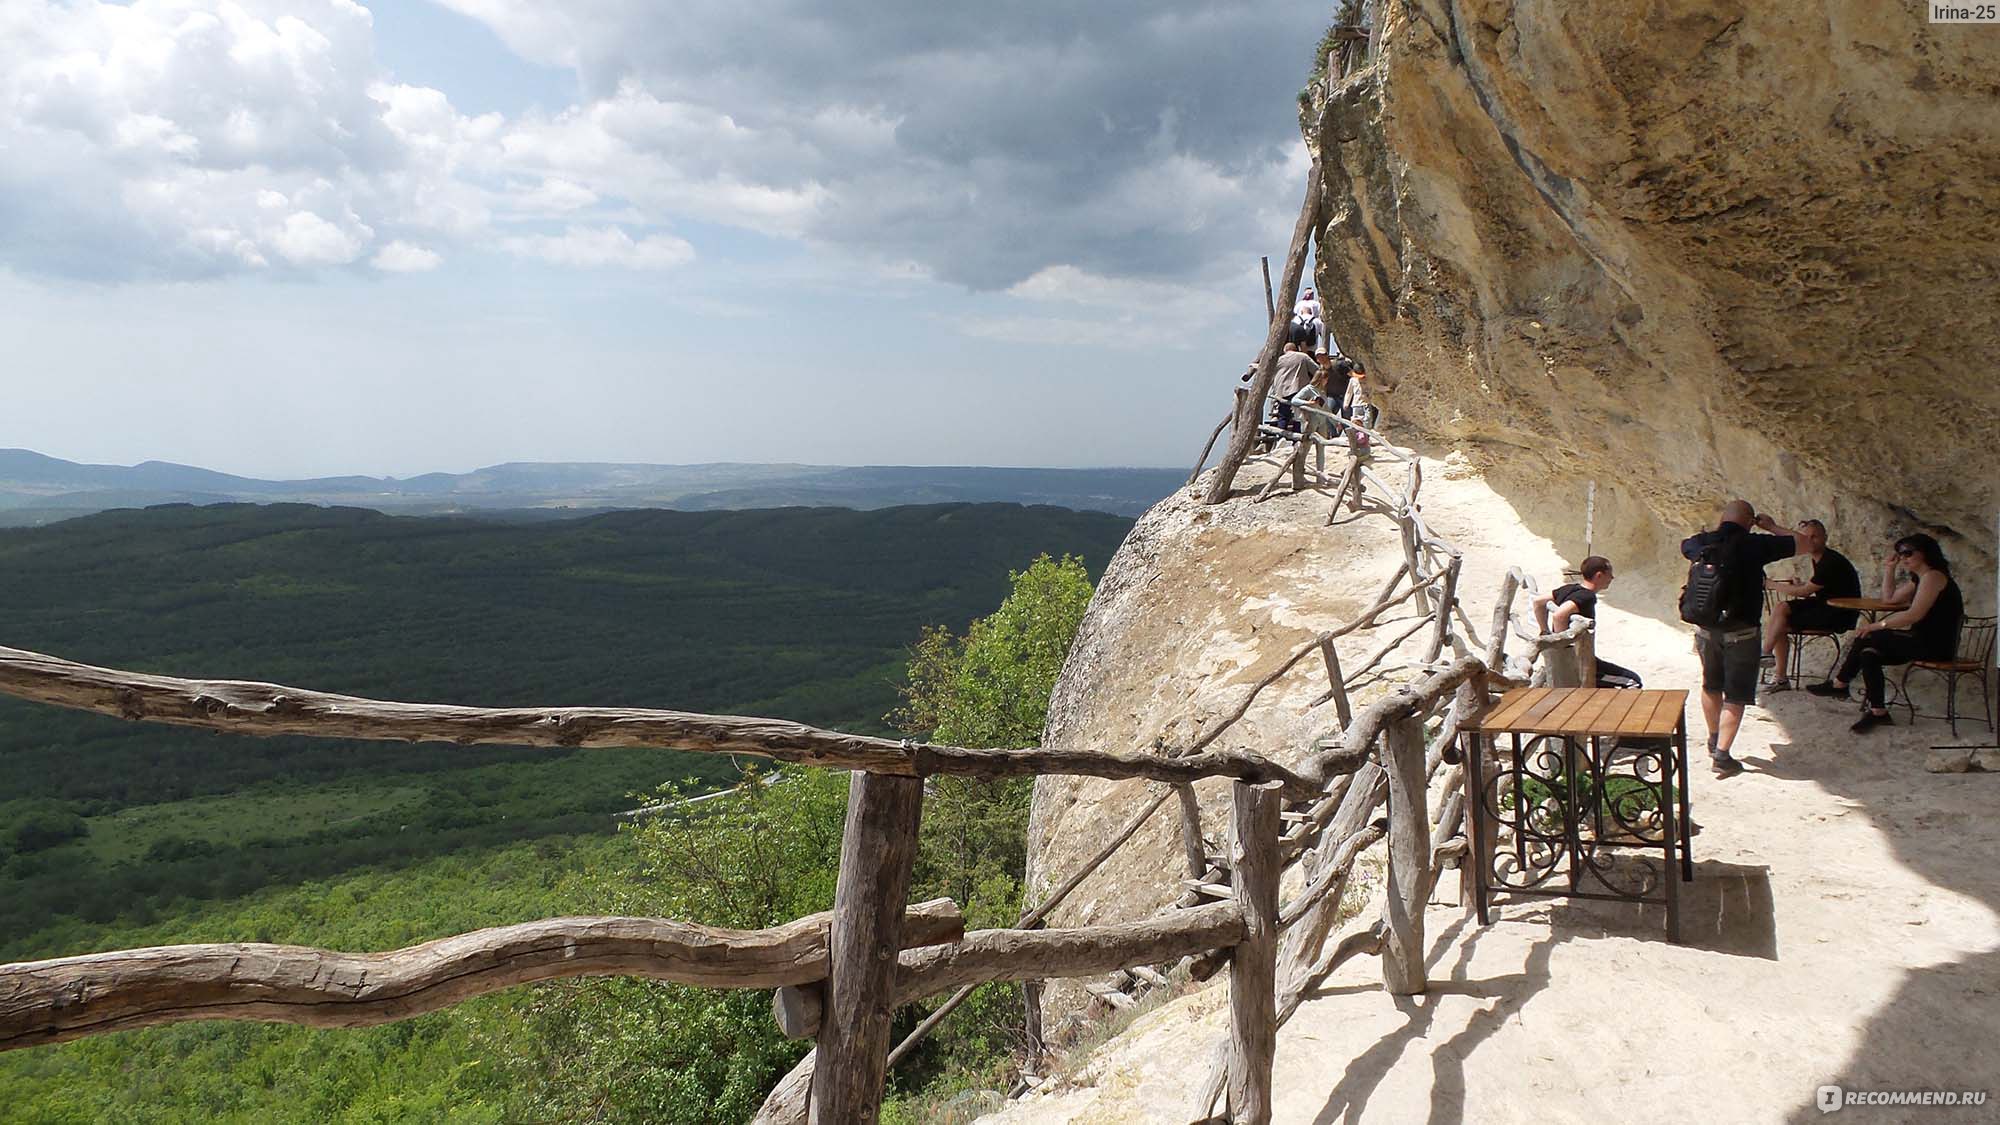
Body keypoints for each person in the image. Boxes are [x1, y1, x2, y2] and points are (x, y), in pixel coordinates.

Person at [1679, 500, 1801, 774]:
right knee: (1736, 693)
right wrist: (1769, 526)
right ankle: (1722, 755)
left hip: (1706, 629)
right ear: (1749, 520)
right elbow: (1804, 543)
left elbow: (1685, 545)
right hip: (1742, 632)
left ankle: (1713, 738)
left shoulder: (1700, 543)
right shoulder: (1756, 545)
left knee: (1711, 684)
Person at [1806, 534, 1965, 733]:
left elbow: (1913, 615)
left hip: (1936, 645)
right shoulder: (1921, 578)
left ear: (1925, 553)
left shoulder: (1933, 576)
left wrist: (1878, 625)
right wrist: (1889, 569)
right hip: (1920, 640)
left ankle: (1840, 684)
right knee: (1868, 653)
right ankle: (1878, 711)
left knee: (1870, 636)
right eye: (1900, 554)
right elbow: (1889, 600)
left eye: (1908, 553)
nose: (1904, 558)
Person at [1759, 519, 1861, 692]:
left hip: (1839, 613)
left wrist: (1771, 584)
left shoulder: (1830, 561)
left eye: (1815, 537)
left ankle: (1767, 655)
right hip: (1826, 606)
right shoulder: (1819, 558)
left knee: (1781, 618)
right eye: (1806, 537)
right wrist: (1771, 527)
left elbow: (1805, 592)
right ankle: (1772, 663)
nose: (1810, 541)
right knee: (1781, 611)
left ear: (1825, 538)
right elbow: (1818, 586)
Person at [1532, 557, 1643, 688]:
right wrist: (1563, 648)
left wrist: (1545, 633)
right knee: (1633, 681)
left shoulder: (1570, 588)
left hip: (1575, 660)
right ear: (1599, 575)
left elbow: (1538, 602)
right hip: (1579, 663)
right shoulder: (1587, 596)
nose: (1612, 578)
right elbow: (1559, 616)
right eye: (1610, 575)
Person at [1341, 360, 1377, 431]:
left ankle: (1366, 438)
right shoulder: (1353, 380)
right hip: (1356, 405)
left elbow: (1376, 386)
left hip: (1366, 404)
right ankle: (1357, 438)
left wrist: (1387, 388)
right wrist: (1346, 403)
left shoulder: (1368, 380)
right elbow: (1349, 392)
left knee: (1367, 422)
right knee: (1356, 423)